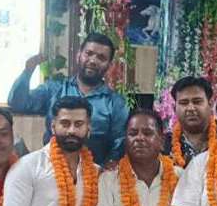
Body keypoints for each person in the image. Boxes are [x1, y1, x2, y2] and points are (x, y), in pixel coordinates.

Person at [9, 33, 129, 164]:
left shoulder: (116, 103)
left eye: (101, 58)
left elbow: (119, 143)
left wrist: (106, 171)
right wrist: (27, 72)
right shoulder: (54, 89)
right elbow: (18, 104)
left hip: (94, 173)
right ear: (79, 55)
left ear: (109, 65)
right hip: (50, 169)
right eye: (89, 53)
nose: (93, 61)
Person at [164, 76, 215, 167]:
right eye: (184, 103)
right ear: (174, 108)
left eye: (197, 101)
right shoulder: (163, 145)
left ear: (210, 104)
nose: (190, 108)